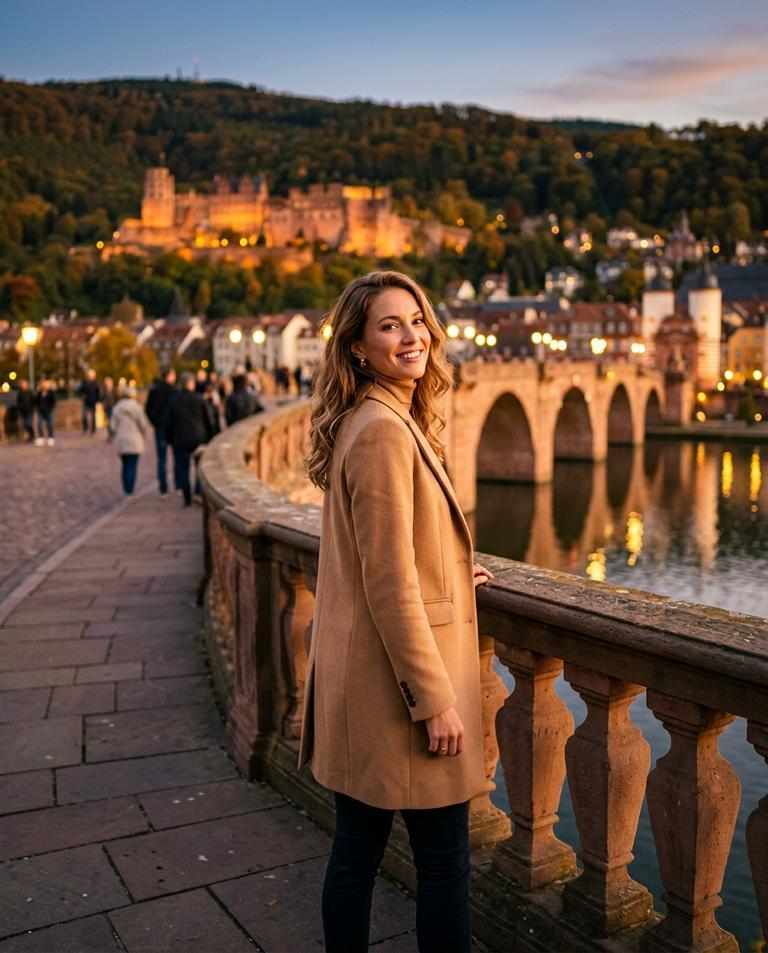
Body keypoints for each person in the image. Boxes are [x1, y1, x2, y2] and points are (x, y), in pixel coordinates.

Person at [300, 271, 494, 953]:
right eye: (389, 325)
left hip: (367, 684)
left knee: (355, 851)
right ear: (356, 347)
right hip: (400, 691)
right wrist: (433, 698)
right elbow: (386, 579)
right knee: (441, 864)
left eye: (416, 320)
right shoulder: (384, 429)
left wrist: (446, 562)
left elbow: (384, 554)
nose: (412, 335)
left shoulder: (375, 417)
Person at [165, 371, 215, 506]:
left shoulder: (174, 400)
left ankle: (187, 497)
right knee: (200, 468)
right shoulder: (199, 399)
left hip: (180, 439)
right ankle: (198, 493)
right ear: (191, 384)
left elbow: (168, 423)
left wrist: (169, 439)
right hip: (199, 438)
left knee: (182, 470)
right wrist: (211, 437)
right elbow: (209, 420)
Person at [109, 384, 151, 496]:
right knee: (132, 465)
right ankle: (130, 490)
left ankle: (126, 488)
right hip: (135, 440)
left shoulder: (116, 408)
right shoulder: (137, 408)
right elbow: (143, 424)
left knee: (125, 465)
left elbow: (112, 426)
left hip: (122, 441)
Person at [145, 368, 177, 496]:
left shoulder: (154, 391)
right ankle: (178, 485)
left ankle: (163, 489)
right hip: (173, 428)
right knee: (176, 458)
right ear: (168, 376)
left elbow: (148, 409)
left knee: (161, 458)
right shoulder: (174, 391)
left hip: (160, 428)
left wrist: (155, 423)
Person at [77, 368, 101, 434]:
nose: (90, 377)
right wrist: (81, 396)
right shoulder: (84, 383)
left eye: (92, 375)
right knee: (84, 415)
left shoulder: (96, 383)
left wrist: (98, 401)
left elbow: (98, 393)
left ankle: (93, 429)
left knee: (93, 417)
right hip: (86, 402)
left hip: (93, 402)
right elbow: (80, 391)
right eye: (89, 375)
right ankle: (85, 428)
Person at [34, 379, 56, 446]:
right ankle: (41, 438)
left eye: (44, 385)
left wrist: (51, 408)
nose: (43, 386)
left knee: (50, 424)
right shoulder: (39, 393)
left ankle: (51, 437)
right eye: (42, 385)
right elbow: (36, 401)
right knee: (39, 424)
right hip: (40, 411)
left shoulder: (50, 392)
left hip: (48, 411)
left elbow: (53, 401)